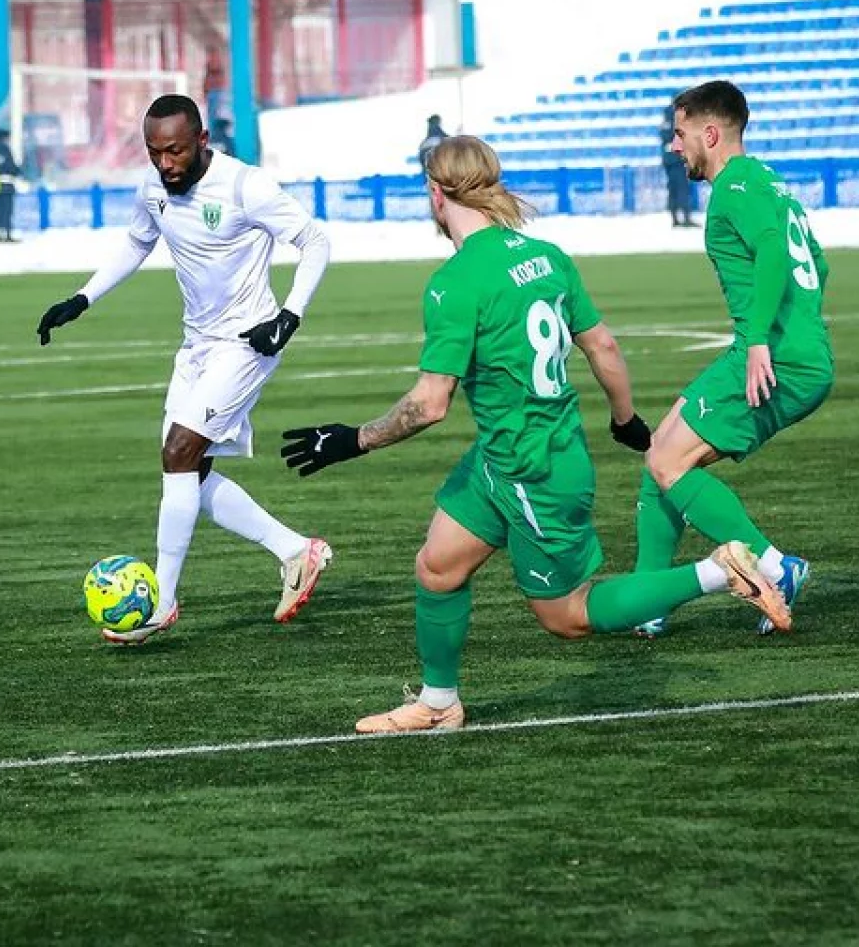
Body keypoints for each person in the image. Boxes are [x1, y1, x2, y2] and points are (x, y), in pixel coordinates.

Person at [279, 133, 790, 734]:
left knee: (567, 616)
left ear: (437, 194)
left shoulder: (455, 282)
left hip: (532, 469)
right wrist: (625, 420)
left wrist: (351, 440)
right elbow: (602, 345)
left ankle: (720, 571)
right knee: (437, 568)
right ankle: (438, 704)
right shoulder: (548, 257)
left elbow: (429, 404)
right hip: (504, 457)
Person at [36, 94, 333, 644]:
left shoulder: (244, 186)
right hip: (196, 346)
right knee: (187, 473)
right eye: (154, 153)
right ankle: (296, 550)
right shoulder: (153, 189)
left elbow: (314, 240)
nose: (165, 164)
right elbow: (136, 243)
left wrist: (289, 316)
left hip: (248, 342)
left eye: (175, 151)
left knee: (179, 451)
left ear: (201, 140)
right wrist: (82, 298)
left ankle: (162, 601)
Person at [631, 81, 834, 640]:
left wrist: (763, 338)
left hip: (775, 358)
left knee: (671, 462)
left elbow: (771, 249)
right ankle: (647, 600)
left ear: (710, 133)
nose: (674, 146)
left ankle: (774, 567)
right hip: (790, 351)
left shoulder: (735, 188)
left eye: (680, 134)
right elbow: (816, 263)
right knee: (660, 451)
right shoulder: (768, 182)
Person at [660, 99, 696, 227]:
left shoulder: (665, 121)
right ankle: (685, 218)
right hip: (678, 160)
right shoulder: (677, 121)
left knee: (673, 189)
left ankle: (675, 219)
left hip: (669, 160)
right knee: (682, 188)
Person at [0, 127, 22, 243]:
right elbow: (10, 166)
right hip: (6, 184)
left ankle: (0, 234)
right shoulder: (4, 149)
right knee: (7, 210)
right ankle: (7, 234)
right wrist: (18, 170)